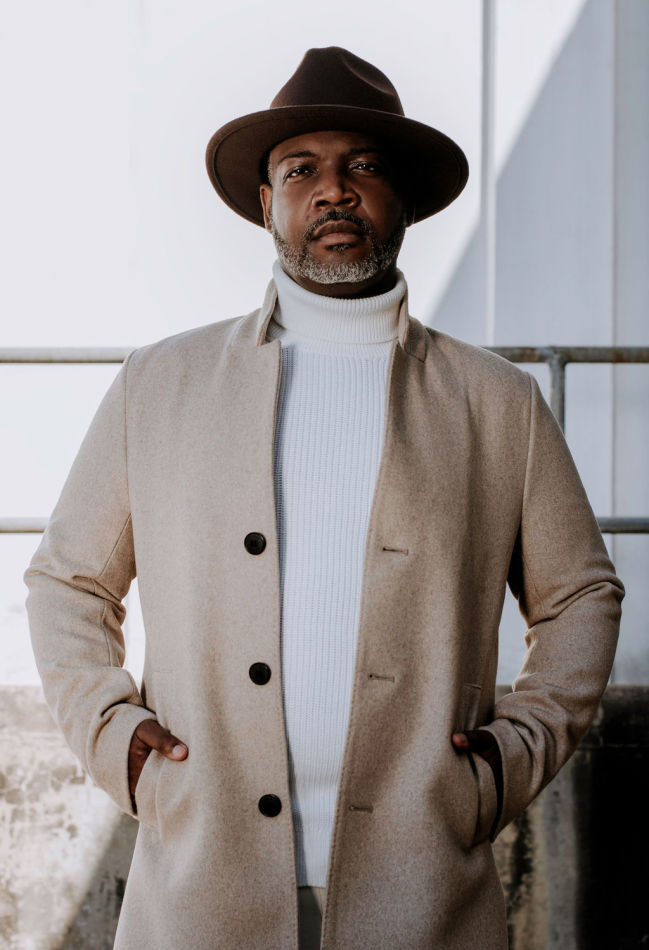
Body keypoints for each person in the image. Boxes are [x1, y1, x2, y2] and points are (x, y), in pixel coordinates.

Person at [25, 47, 623, 950]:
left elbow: (580, 594)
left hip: (422, 885)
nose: (333, 190)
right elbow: (67, 581)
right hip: (200, 882)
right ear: (266, 202)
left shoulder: (497, 402)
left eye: (364, 166)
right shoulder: (161, 384)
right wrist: (116, 739)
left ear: (404, 199)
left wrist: (511, 759)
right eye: (301, 170)